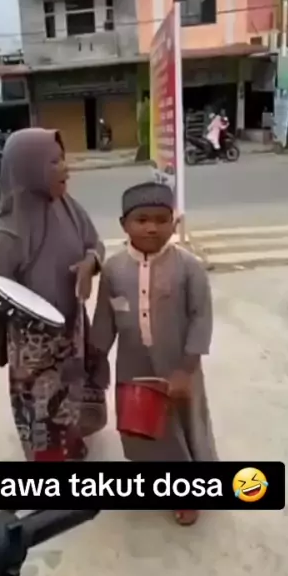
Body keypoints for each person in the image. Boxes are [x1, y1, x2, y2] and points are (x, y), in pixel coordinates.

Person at [91, 181, 217, 526]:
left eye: (161, 220)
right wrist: (96, 358)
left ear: (173, 224)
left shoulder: (189, 267)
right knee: (141, 427)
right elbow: (105, 318)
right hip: (132, 364)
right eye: (142, 219)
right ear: (124, 224)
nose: (151, 228)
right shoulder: (114, 270)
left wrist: (186, 368)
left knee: (183, 427)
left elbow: (201, 318)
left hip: (178, 364)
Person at [0, 127, 108, 461]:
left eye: (63, 159)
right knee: (41, 408)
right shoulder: (7, 234)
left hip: (72, 331)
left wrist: (90, 263)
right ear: (27, 168)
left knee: (73, 394)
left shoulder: (68, 207)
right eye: (53, 162)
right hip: (34, 348)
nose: (66, 168)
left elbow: (95, 243)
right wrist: (34, 315)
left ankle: (73, 442)